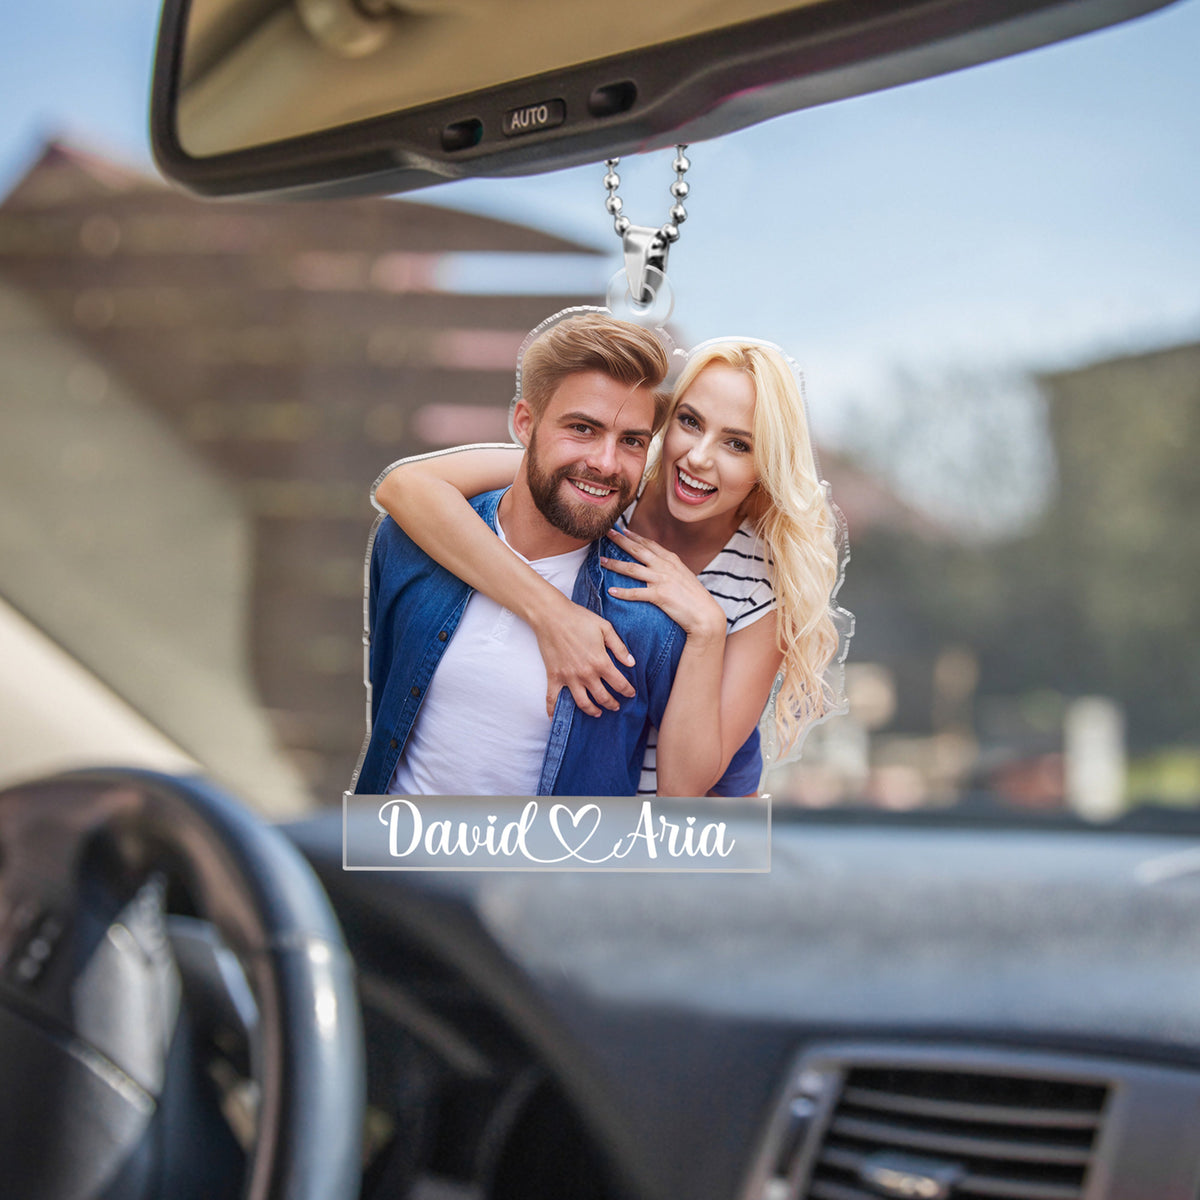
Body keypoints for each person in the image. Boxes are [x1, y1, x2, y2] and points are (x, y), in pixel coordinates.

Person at [374, 336, 846, 796]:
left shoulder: (759, 589)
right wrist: (554, 616)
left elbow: (688, 787)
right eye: (690, 422)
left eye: (738, 445)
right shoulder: (602, 484)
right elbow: (405, 487)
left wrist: (707, 627)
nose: (699, 458)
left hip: (640, 834)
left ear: (767, 464)